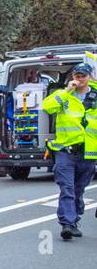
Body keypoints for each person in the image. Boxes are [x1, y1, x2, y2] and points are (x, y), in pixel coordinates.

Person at [42, 61, 97, 241]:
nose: (79, 79)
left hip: (88, 153)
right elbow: (47, 106)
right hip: (65, 151)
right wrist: (66, 91)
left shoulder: (95, 97)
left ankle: (74, 219)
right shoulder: (63, 95)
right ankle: (67, 224)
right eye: (76, 75)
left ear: (90, 77)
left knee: (78, 190)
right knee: (67, 188)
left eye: (83, 75)